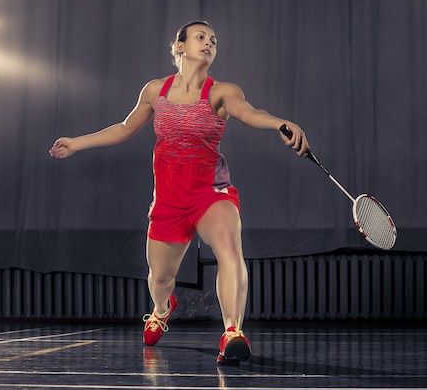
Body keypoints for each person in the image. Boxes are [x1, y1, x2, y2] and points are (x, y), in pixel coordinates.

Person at [49, 20, 310, 364]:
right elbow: (126, 128)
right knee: (160, 279)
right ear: (179, 46)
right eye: (201, 37)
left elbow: (249, 112)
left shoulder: (222, 92)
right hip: (169, 202)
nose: (209, 43)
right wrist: (77, 143)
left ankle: (233, 333)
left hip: (210, 193)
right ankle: (161, 308)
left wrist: (280, 123)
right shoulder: (155, 90)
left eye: (213, 40)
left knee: (230, 248)